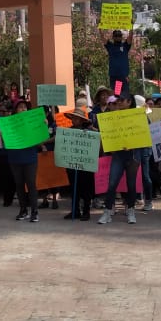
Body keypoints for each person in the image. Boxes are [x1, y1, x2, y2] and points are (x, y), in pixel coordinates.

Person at [98, 90, 142, 225]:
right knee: (112, 184)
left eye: (122, 100)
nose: (119, 102)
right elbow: (108, 135)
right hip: (118, 155)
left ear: (129, 102)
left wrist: (132, 144)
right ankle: (107, 211)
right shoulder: (112, 117)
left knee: (131, 185)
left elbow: (143, 135)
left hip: (133, 155)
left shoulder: (138, 116)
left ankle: (131, 210)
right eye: (118, 101)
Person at [9, 101, 42, 223]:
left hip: (30, 157)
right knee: (19, 184)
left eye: (24, 107)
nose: (22, 109)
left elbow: (41, 139)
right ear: (15, 110)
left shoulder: (32, 122)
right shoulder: (10, 123)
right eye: (20, 107)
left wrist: (42, 126)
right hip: (15, 157)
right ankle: (23, 210)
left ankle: (34, 211)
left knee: (31, 184)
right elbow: (4, 139)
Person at [62, 105, 97, 221]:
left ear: (82, 120)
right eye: (73, 118)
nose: (74, 120)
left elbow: (98, 137)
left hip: (86, 165)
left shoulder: (90, 130)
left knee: (86, 188)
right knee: (74, 188)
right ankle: (75, 210)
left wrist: (91, 131)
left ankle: (86, 211)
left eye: (76, 118)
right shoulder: (69, 131)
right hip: (72, 164)